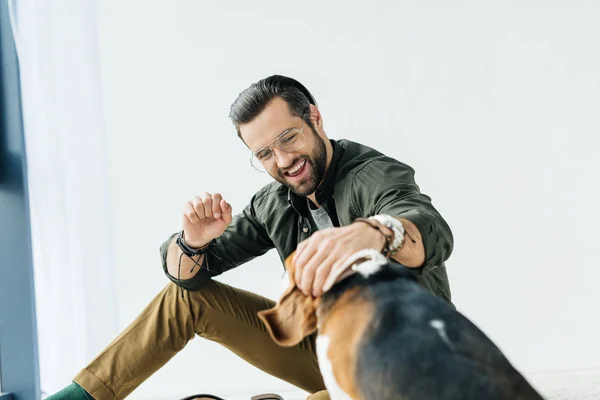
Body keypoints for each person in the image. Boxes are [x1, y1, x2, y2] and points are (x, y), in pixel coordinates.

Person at [48, 75, 454, 400]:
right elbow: (186, 278)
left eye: (288, 138)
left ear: (315, 118)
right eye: (264, 154)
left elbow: (428, 228)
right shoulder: (274, 201)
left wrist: (373, 233)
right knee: (188, 300)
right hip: (331, 353)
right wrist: (193, 241)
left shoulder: (372, 175)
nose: (283, 162)